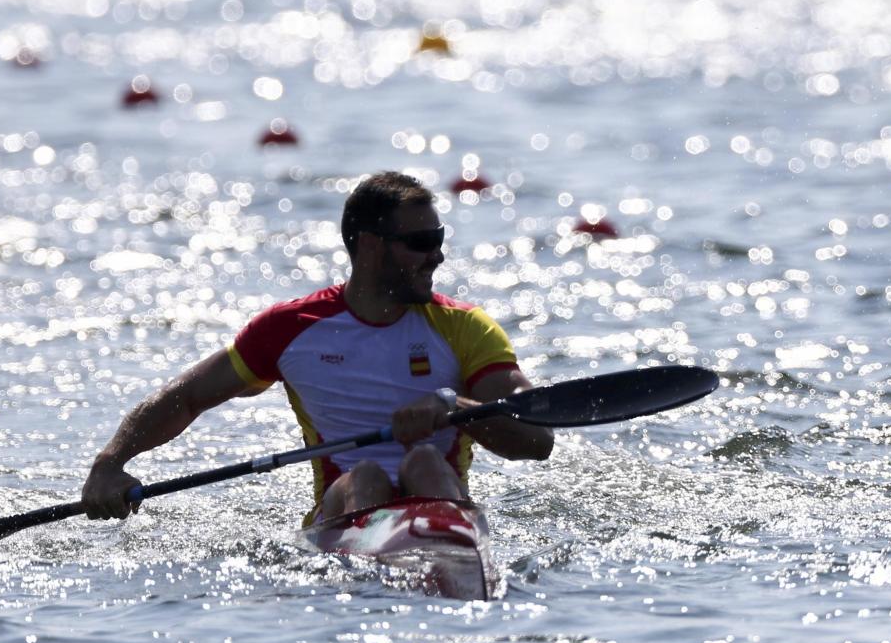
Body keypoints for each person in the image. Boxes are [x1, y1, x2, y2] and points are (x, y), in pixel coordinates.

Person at [81, 171, 552, 525]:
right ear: (370, 247)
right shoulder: (291, 329)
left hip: (442, 508)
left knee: (425, 461)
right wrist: (110, 463)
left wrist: (456, 407)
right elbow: (185, 397)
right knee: (364, 475)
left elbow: (537, 441)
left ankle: (438, 553)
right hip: (343, 515)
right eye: (420, 242)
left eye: (439, 239)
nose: (438, 255)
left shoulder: (466, 328)